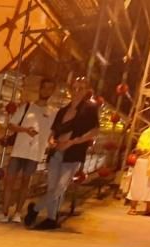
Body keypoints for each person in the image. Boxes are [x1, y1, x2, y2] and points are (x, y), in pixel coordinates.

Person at [25, 76, 99, 230]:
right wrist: (51, 140)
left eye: (81, 88)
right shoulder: (63, 110)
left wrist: (75, 141)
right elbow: (53, 130)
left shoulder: (90, 109)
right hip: (57, 152)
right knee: (52, 187)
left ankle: (35, 209)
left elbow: (95, 130)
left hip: (73, 153)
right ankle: (51, 218)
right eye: (75, 88)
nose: (77, 91)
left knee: (60, 187)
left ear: (86, 90)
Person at [0, 77, 57, 223]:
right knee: (9, 181)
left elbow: (53, 132)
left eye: (50, 88)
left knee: (25, 182)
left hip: (35, 152)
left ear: (53, 91)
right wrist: (25, 130)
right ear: (40, 89)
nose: (46, 90)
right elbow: (11, 125)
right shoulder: (27, 106)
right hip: (19, 150)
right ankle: (4, 212)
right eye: (44, 87)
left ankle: (18, 213)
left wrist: (52, 141)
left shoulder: (53, 112)